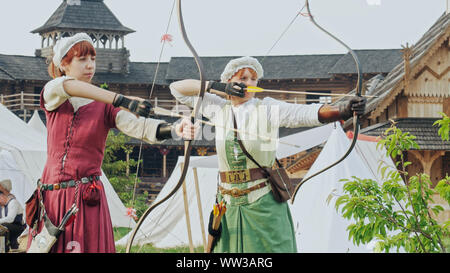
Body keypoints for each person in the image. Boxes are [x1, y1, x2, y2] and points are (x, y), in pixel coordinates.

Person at [169, 56, 366, 253]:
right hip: (227, 204)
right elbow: (177, 89)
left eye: (253, 79)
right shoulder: (218, 108)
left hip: (262, 201)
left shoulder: (266, 108)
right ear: (229, 81)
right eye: (243, 78)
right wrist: (215, 87)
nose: (249, 83)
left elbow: (302, 113)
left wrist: (342, 110)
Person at [29, 33, 196, 253]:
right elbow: (67, 86)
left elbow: (141, 127)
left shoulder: (104, 106)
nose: (90, 66)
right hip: (53, 199)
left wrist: (175, 129)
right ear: (63, 64)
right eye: (82, 60)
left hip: (86, 199)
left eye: (93, 59)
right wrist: (122, 100)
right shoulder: (54, 92)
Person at [0, 180, 26, 251]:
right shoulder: (3, 208)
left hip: (19, 227)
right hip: (11, 227)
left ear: (2, 196)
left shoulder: (13, 202)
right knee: (3, 227)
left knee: (4, 227)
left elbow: (10, 219)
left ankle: (4, 249)